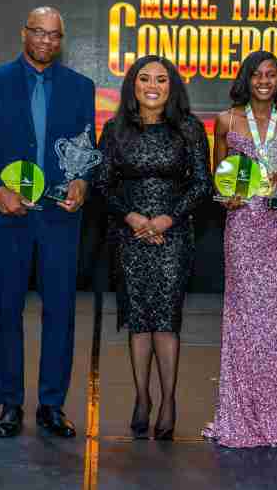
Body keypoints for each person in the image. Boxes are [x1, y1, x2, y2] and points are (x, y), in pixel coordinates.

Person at [0, 7, 96, 438]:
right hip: (8, 216)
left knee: (60, 312)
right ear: (24, 33)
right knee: (6, 310)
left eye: (54, 35)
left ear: (62, 40)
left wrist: (81, 181)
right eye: (39, 32)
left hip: (60, 217)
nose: (46, 41)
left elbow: (84, 150)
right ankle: (9, 403)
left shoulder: (81, 88)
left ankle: (52, 405)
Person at [94, 55, 212, 440]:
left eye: (161, 79)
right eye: (144, 78)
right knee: (139, 318)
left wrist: (166, 219)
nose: (153, 86)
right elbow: (103, 185)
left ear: (171, 86)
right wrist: (132, 219)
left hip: (173, 235)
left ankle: (168, 401)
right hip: (129, 236)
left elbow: (201, 185)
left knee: (166, 318)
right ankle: (142, 397)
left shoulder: (190, 130)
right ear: (133, 85)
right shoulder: (114, 131)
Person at [202, 51, 277, 448]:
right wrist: (225, 196)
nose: (264, 80)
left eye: (271, 75)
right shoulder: (226, 120)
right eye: (257, 74)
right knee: (244, 319)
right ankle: (238, 414)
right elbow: (219, 177)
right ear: (245, 79)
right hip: (244, 224)